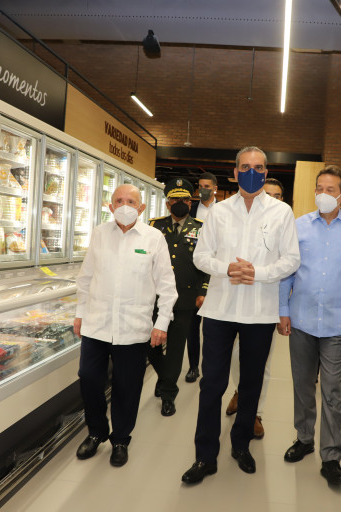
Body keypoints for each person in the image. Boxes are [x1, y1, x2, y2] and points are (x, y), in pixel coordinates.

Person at [181, 146, 300, 484]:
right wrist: (227, 268)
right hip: (220, 310)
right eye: (245, 167)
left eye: (258, 167)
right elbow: (201, 257)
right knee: (212, 384)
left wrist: (258, 273)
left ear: (266, 172)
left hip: (259, 313)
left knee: (251, 384)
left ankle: (241, 444)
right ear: (234, 173)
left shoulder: (281, 212)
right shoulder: (218, 212)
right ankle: (205, 456)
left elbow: (291, 259)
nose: (252, 172)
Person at [74, 184, 177, 466]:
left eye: (131, 201)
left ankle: (120, 439)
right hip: (96, 323)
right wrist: (80, 313)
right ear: (110, 206)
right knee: (89, 378)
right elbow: (86, 277)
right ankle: (96, 432)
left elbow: (167, 287)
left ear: (141, 208)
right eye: (119, 200)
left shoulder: (154, 238)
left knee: (127, 386)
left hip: (134, 327)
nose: (124, 205)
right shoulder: (99, 233)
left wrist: (162, 323)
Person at [279, 165, 341, 486]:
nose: (323, 194)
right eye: (319, 188)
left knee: (332, 389)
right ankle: (304, 438)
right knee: (303, 384)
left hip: (337, 325)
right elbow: (287, 271)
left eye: (330, 190)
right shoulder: (299, 226)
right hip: (302, 320)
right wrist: (282, 310)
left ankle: (331, 456)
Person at [224, 176, 286, 438]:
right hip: (233, 301)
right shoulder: (238, 218)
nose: (271, 199)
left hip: (266, 304)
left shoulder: (284, 222)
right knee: (235, 356)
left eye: (277, 195)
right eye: (267, 194)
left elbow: (288, 268)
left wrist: (283, 310)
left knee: (263, 363)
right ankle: (240, 391)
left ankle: (255, 413)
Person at [148, 178, 209, 417]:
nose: (180, 203)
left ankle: (168, 395)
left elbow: (206, 265)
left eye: (184, 199)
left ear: (190, 203)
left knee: (175, 348)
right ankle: (165, 377)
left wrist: (203, 291)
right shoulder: (155, 226)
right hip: (155, 297)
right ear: (168, 203)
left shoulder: (201, 228)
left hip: (185, 298)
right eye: (175, 200)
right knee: (150, 345)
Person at [185, 172, 219, 383]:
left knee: (213, 327)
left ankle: (211, 366)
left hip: (217, 272)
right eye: (200, 186)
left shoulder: (223, 210)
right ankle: (193, 366)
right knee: (193, 324)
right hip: (195, 270)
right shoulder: (192, 209)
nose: (203, 189)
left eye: (207, 186)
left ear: (215, 188)